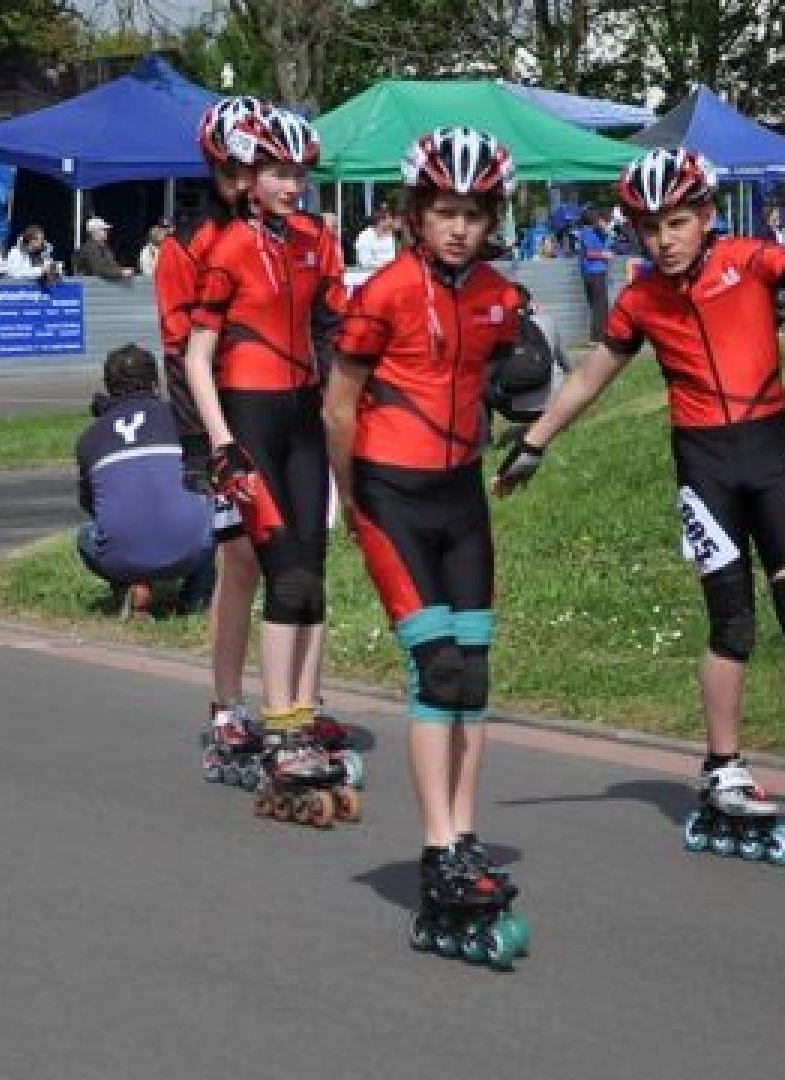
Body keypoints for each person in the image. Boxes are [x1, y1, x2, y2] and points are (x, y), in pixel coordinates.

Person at [495, 147, 785, 870]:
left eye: (677, 223)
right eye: (650, 228)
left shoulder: (747, 260)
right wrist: (534, 443)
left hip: (773, 460)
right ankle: (723, 765)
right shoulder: (642, 300)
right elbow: (589, 378)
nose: (664, 240)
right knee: (733, 622)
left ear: (707, 216)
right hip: (705, 470)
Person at [324, 126, 530, 965]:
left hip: (461, 494)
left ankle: (466, 835)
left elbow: (516, 377)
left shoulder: (499, 296)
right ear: (415, 213)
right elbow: (339, 406)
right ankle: (438, 848)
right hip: (390, 493)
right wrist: (349, 499)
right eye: (445, 211)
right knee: (435, 669)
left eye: (474, 215)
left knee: (472, 674)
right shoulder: (383, 293)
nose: (459, 228)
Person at [181, 106, 347, 792]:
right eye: (277, 172)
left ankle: (303, 714)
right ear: (251, 176)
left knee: (311, 568)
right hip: (247, 415)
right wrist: (219, 443)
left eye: (299, 174)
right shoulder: (223, 247)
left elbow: (342, 330)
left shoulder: (316, 239)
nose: (291, 185)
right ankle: (274, 724)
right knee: (278, 571)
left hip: (303, 416)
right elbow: (195, 356)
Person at [155, 95, 270, 760]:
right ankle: (226, 702)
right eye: (232, 172)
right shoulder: (187, 243)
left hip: (284, 408)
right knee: (240, 557)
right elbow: (178, 350)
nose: (245, 184)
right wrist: (198, 446)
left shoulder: (289, 231)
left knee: (292, 561)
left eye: (256, 170)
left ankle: (296, 703)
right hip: (222, 411)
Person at [75, 344, 214, 617]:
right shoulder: (183, 419)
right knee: (216, 513)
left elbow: (91, 504)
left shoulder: (89, 438)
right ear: (155, 382)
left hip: (121, 556)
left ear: (109, 386)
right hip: (192, 549)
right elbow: (207, 480)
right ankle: (195, 599)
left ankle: (131, 583)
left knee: (86, 537)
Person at [575, 207, 611, 343]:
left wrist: (605, 230)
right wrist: (604, 254)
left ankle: (601, 335)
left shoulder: (595, 232)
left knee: (599, 305)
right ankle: (597, 338)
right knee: (599, 306)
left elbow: (605, 239)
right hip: (594, 272)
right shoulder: (587, 232)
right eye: (600, 219)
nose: (603, 221)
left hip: (593, 272)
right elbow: (590, 253)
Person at [354, 204, 399, 270]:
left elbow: (392, 258)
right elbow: (364, 262)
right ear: (380, 221)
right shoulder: (364, 236)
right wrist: (383, 265)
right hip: (369, 273)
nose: (391, 222)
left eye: (391, 218)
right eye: (388, 219)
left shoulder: (391, 236)